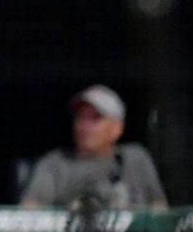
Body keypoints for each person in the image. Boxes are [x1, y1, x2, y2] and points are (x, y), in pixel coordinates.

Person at [21, 86, 167, 211]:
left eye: (95, 118)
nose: (85, 125)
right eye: (81, 117)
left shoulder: (135, 158)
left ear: (117, 129)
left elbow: (160, 210)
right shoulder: (54, 164)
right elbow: (29, 212)